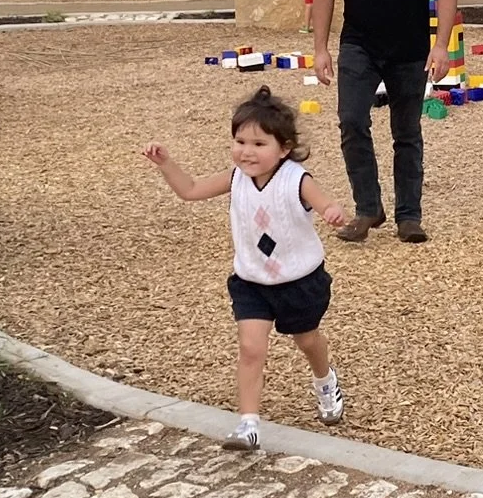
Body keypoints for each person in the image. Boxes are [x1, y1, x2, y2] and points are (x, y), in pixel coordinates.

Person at [143, 86, 349, 451]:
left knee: (307, 340)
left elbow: (323, 202)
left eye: (258, 144)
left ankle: (325, 379)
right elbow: (190, 190)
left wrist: (331, 212)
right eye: (240, 141)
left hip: (300, 282)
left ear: (283, 148)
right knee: (251, 348)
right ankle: (248, 423)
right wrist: (166, 164)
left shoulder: (296, 179)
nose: (246, 151)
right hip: (251, 282)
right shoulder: (235, 178)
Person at [312, 0, 458, 245]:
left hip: (410, 47)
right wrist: (320, 47)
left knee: (406, 133)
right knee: (351, 121)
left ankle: (409, 216)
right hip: (359, 43)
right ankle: (368, 207)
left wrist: (441, 45)